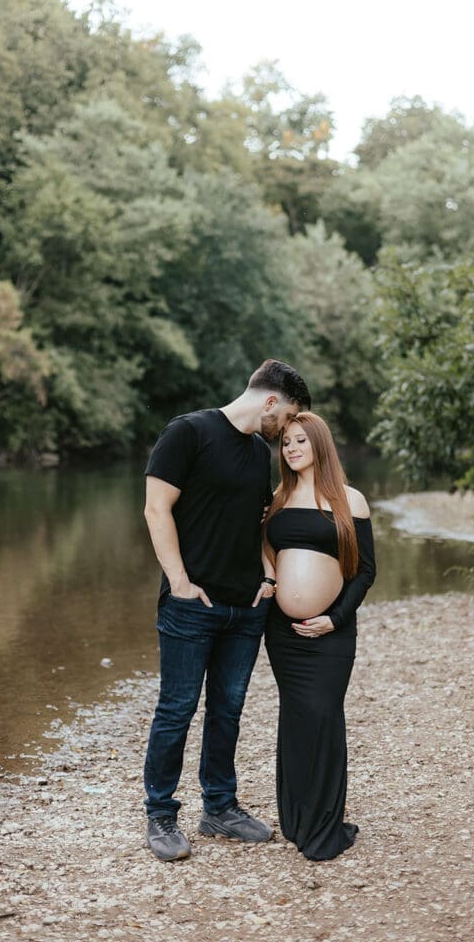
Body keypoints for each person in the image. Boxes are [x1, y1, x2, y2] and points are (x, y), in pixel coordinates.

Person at [142, 359, 312, 861]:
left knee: (227, 711)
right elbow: (156, 509)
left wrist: (266, 574)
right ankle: (160, 814)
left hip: (246, 609)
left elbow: (256, 522)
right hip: (191, 606)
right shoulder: (188, 432)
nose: (288, 430)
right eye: (289, 416)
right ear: (270, 402)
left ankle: (219, 807)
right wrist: (179, 582)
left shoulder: (260, 454)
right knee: (176, 710)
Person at [262, 412, 376, 861]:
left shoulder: (349, 500)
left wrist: (336, 617)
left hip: (332, 632)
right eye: (286, 442)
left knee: (324, 715)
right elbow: (264, 547)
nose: (290, 449)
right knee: (295, 716)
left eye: (300, 441)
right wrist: (270, 576)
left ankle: (325, 823)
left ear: (319, 445)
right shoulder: (277, 498)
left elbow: (366, 571)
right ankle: (296, 817)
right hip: (283, 632)